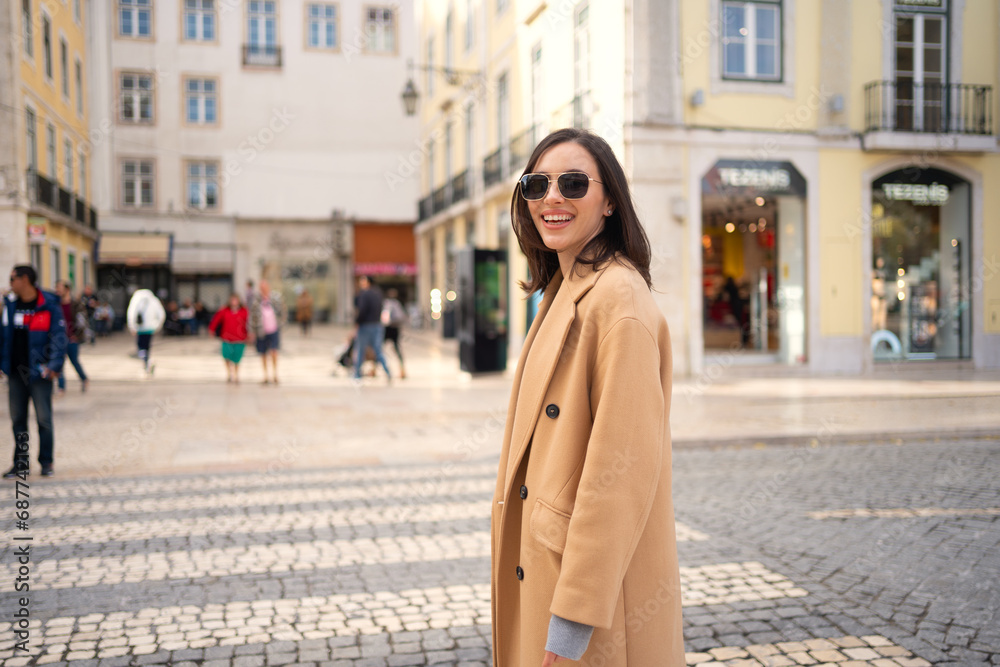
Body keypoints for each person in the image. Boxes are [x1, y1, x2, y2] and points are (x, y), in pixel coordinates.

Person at [491, 129, 683, 666]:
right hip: (551, 566)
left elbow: (620, 477)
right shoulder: (566, 287)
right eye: (537, 184)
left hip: (591, 600)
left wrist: (572, 623)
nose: (552, 197)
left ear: (609, 202)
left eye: (573, 183)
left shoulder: (617, 300)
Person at [0, 265, 66, 478]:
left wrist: (54, 366)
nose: (10, 283)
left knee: (43, 420)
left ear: (25, 279)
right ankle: (21, 463)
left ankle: (46, 462)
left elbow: (59, 336)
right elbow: (3, 338)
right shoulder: (10, 306)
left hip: (39, 374)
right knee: (18, 420)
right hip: (15, 374)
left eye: (13, 278)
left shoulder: (48, 305)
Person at [353, 275, 391, 382]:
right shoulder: (378, 293)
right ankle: (388, 372)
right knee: (378, 350)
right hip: (377, 325)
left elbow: (362, 310)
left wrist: (357, 322)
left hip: (365, 325)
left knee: (361, 349)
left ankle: (357, 374)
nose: (361, 283)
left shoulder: (365, 294)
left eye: (363, 281)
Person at [56, 281, 88, 394]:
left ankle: (84, 379)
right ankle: (61, 387)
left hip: (72, 339)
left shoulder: (75, 304)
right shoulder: (55, 304)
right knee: (59, 362)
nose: (57, 290)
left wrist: (77, 335)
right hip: (59, 339)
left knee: (74, 361)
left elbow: (82, 321)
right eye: (57, 288)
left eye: (60, 288)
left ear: (67, 289)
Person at [249, 279, 284, 385]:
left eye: (265, 287)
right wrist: (252, 331)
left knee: (274, 351)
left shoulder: (275, 298)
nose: (263, 289)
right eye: (262, 288)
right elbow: (252, 317)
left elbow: (282, 311)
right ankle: (266, 376)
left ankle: (275, 374)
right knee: (263, 353)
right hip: (261, 331)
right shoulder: (256, 301)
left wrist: (281, 324)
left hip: (274, 330)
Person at [209, 294, 250, 384]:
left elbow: (249, 323)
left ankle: (236, 374)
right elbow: (216, 320)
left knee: (237, 358)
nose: (234, 302)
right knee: (226, 355)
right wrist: (211, 329)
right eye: (232, 300)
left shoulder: (244, 311)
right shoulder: (224, 310)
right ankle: (229, 373)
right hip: (226, 338)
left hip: (239, 339)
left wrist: (250, 334)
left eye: (236, 300)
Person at [126, 288, 166, 375]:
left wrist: (132, 326)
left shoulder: (136, 299)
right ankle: (147, 361)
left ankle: (146, 362)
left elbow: (131, 313)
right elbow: (161, 314)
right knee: (147, 346)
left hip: (140, 328)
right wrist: (157, 326)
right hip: (150, 328)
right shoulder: (154, 299)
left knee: (141, 346)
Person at [381, 288, 407, 379]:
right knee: (396, 349)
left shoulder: (386, 303)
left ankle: (374, 369)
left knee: (379, 349)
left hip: (387, 328)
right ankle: (402, 369)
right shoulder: (397, 304)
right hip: (394, 328)